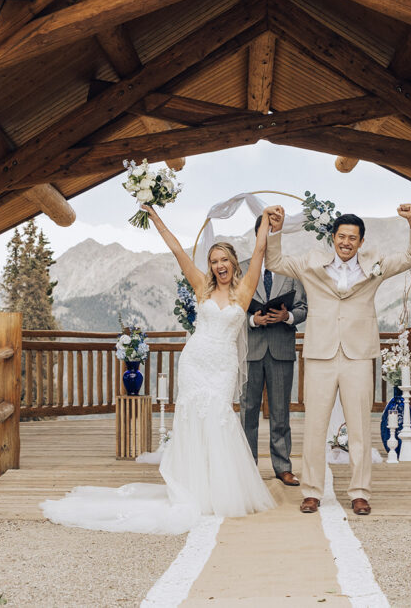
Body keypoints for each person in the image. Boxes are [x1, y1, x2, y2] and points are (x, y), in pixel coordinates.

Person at [40, 205, 276, 534]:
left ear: (234, 263)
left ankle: (219, 490)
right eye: (213, 261)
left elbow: (261, 250)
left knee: (219, 419)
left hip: (222, 366)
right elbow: (177, 249)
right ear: (209, 266)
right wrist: (154, 217)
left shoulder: (244, 290)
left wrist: (264, 220)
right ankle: (194, 489)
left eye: (224, 260)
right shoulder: (201, 288)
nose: (219, 265)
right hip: (195, 362)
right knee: (193, 420)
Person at [265, 204, 411, 516]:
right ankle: (312, 491)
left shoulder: (375, 264)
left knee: (359, 430)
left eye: (353, 238)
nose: (346, 242)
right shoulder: (310, 263)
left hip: (358, 355)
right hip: (320, 355)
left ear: (361, 242)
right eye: (342, 236)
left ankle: (360, 493)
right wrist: (277, 228)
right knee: (314, 427)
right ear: (333, 238)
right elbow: (274, 260)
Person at [241, 214, 308, 486]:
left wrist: (287, 317)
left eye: (272, 231)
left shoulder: (291, 269)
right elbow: (232, 308)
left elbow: (303, 308)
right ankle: (246, 467)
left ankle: (283, 467)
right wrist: (251, 320)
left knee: (281, 412)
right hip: (250, 350)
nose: (267, 237)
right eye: (263, 232)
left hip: (281, 349)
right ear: (256, 235)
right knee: (248, 411)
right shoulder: (242, 268)